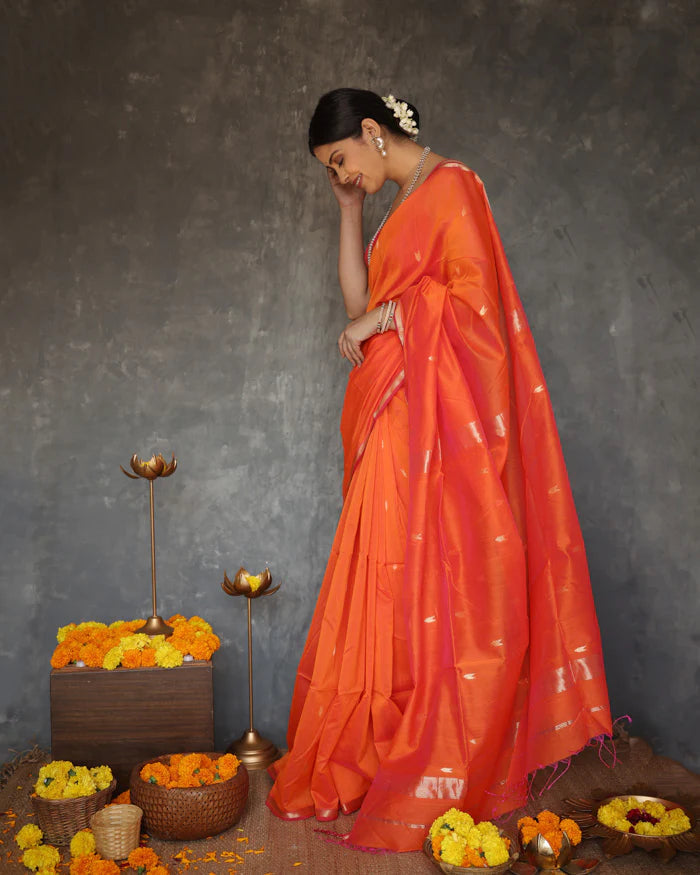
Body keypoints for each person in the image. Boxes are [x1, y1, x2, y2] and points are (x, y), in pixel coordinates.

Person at [266, 88, 612, 852]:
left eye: (342, 161)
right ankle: (382, 743)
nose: (344, 174)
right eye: (333, 170)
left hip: (428, 427)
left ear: (370, 131)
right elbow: (359, 297)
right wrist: (349, 214)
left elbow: (474, 315)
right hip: (390, 424)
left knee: (425, 586)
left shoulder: (452, 187)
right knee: (386, 586)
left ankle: (433, 751)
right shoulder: (394, 210)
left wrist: (387, 318)